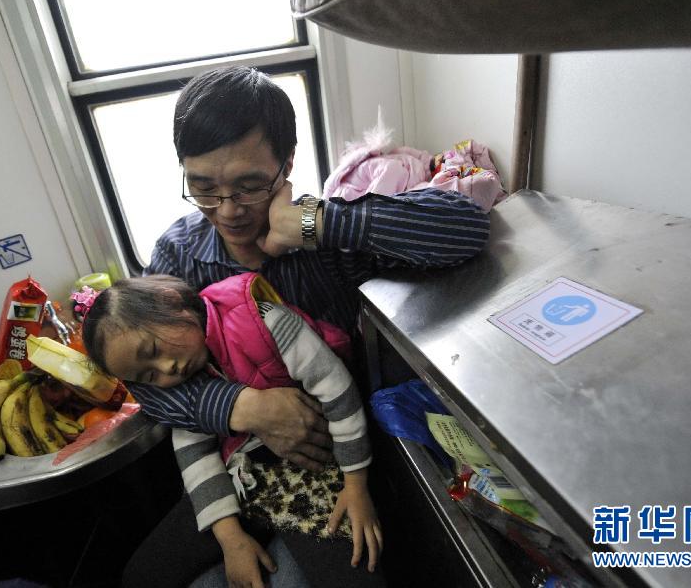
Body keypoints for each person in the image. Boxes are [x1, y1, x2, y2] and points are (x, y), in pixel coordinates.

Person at [130, 65, 491, 474]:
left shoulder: (326, 244)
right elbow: (139, 381)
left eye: (249, 185)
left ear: (286, 165)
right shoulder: (179, 255)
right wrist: (246, 407)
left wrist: (313, 223)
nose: (228, 210)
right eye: (204, 189)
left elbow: (468, 228)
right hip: (250, 461)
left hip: (359, 450)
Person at [80, 273, 384, 587]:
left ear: (170, 301)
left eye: (154, 349)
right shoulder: (185, 376)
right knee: (141, 576)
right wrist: (230, 538)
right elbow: (194, 453)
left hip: (315, 466)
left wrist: (357, 485)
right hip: (243, 477)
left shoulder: (266, 323)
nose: (166, 369)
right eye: (149, 376)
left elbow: (339, 392)